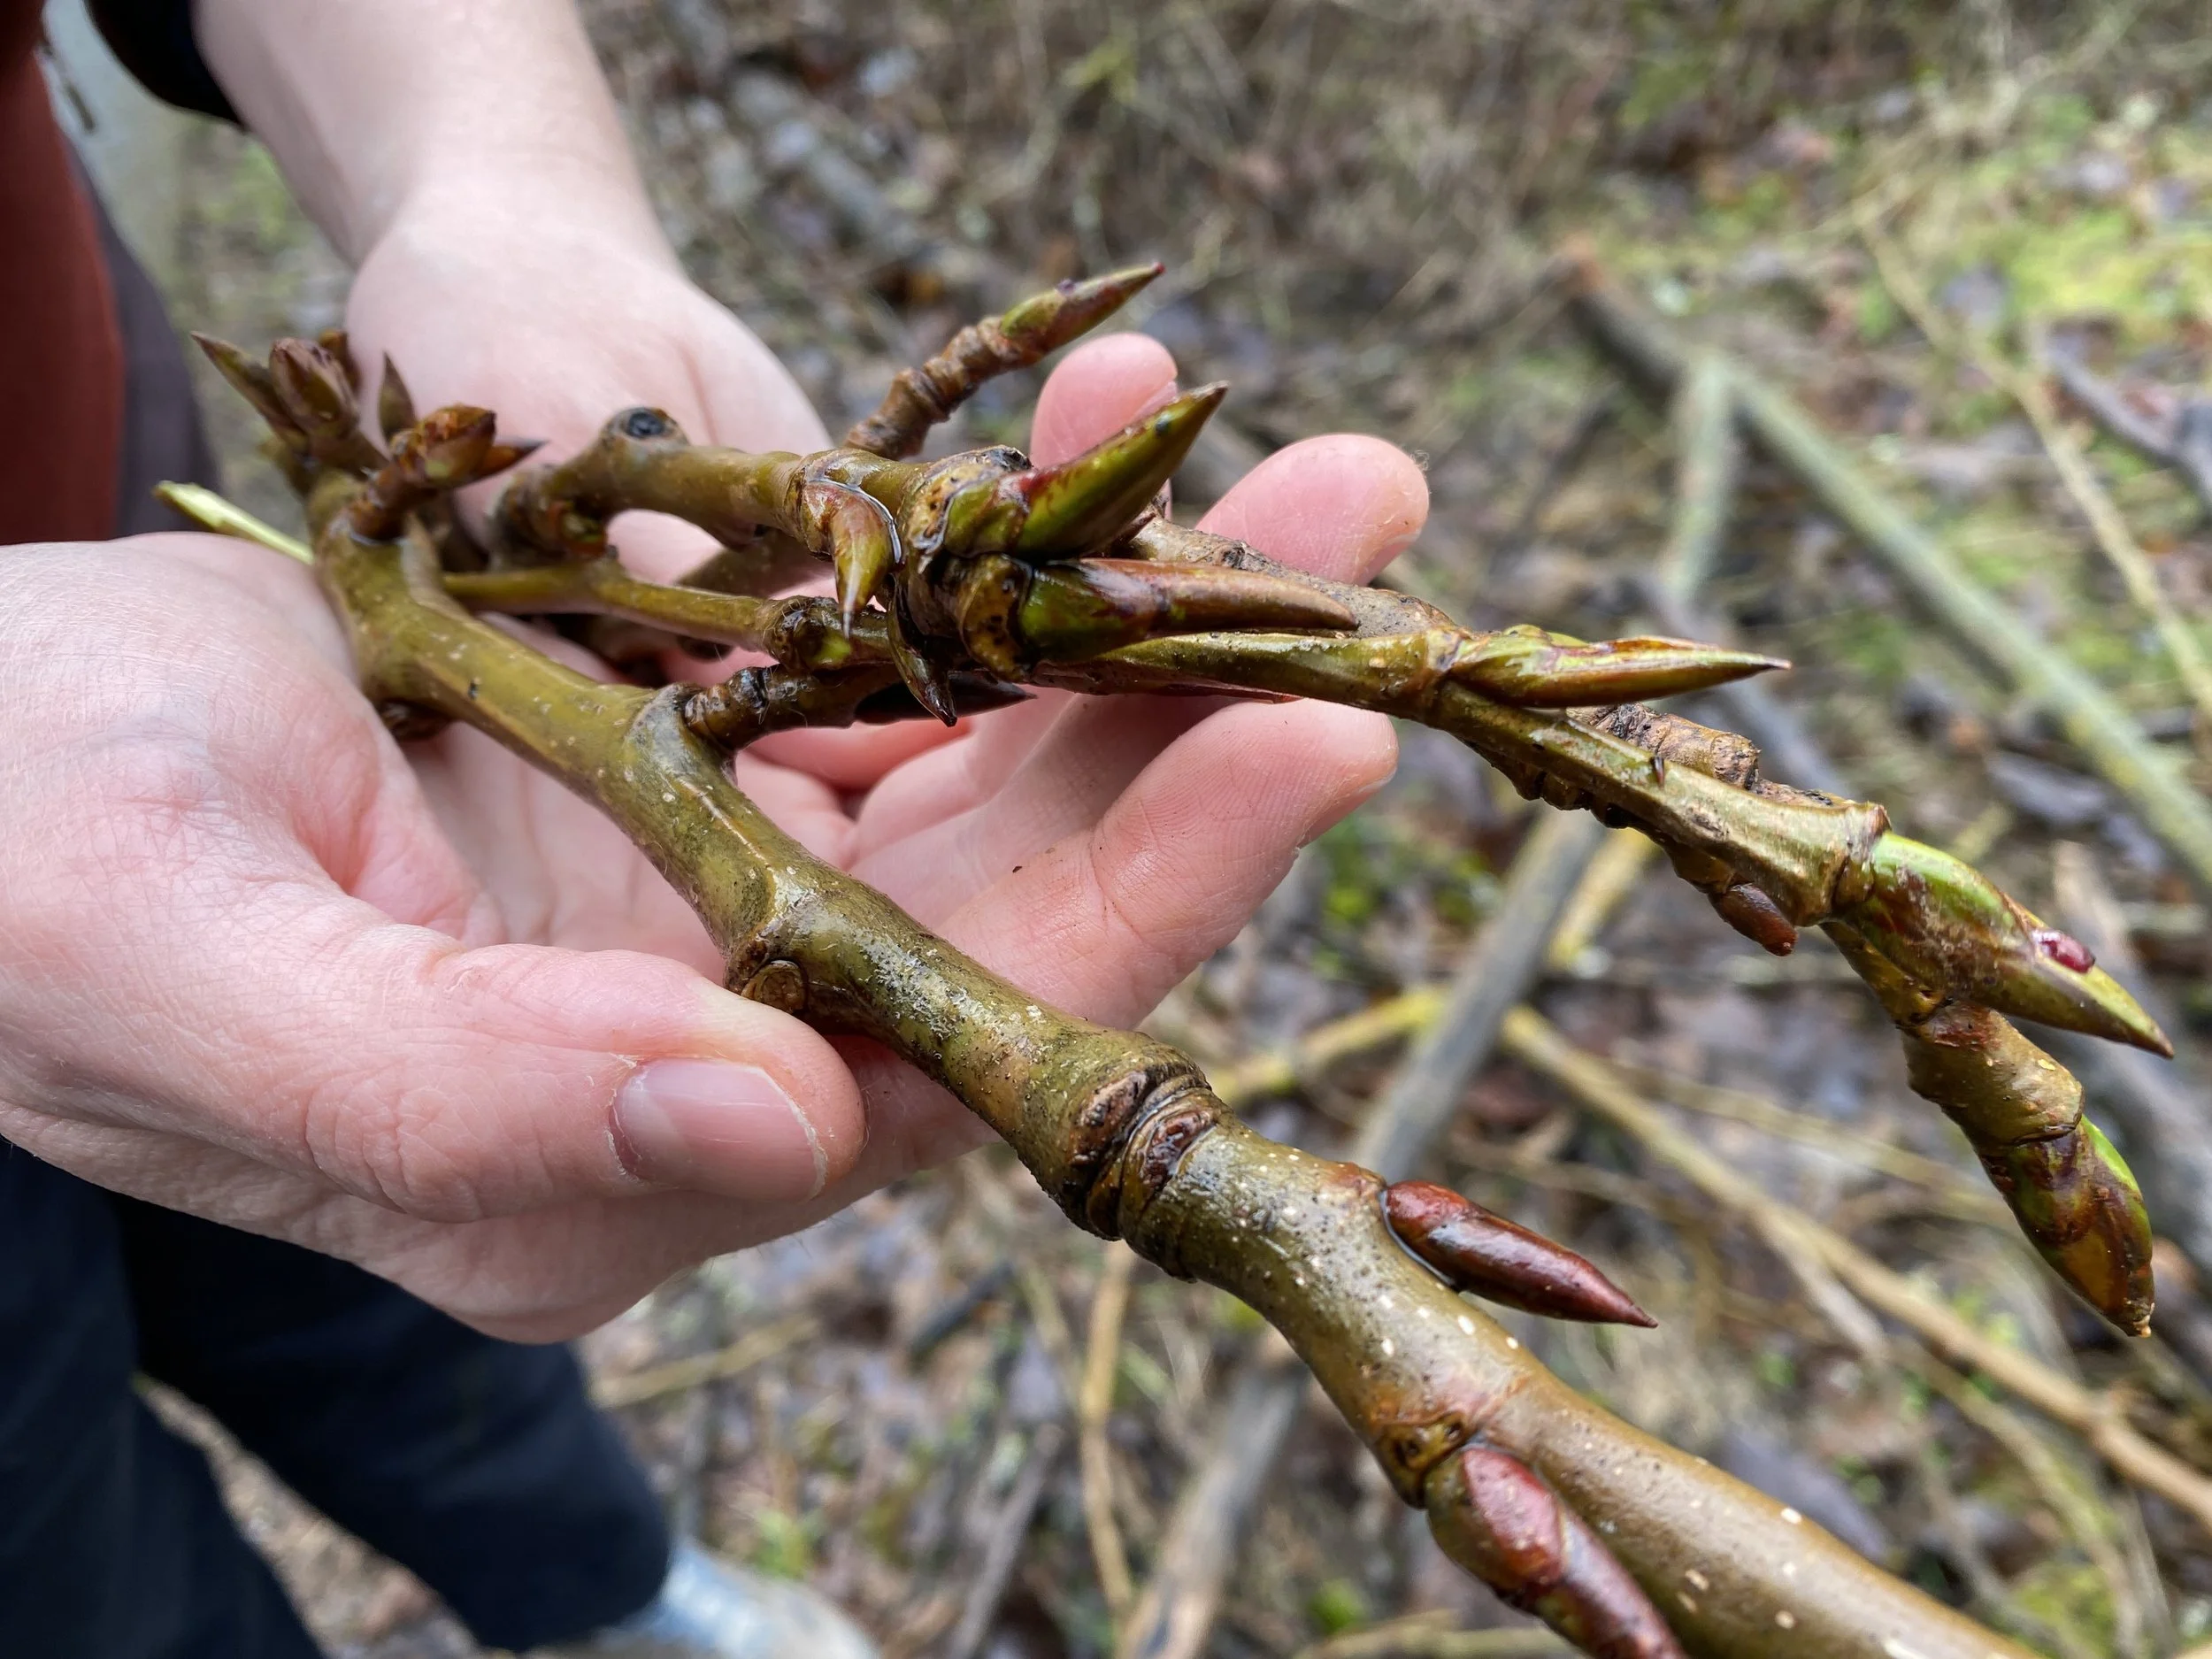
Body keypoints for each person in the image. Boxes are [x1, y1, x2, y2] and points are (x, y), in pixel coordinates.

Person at [0, 1, 1429, 1655]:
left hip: (130, 566)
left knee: (375, 1304)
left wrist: (501, 188)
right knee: (59, 1549)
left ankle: (610, 1591)